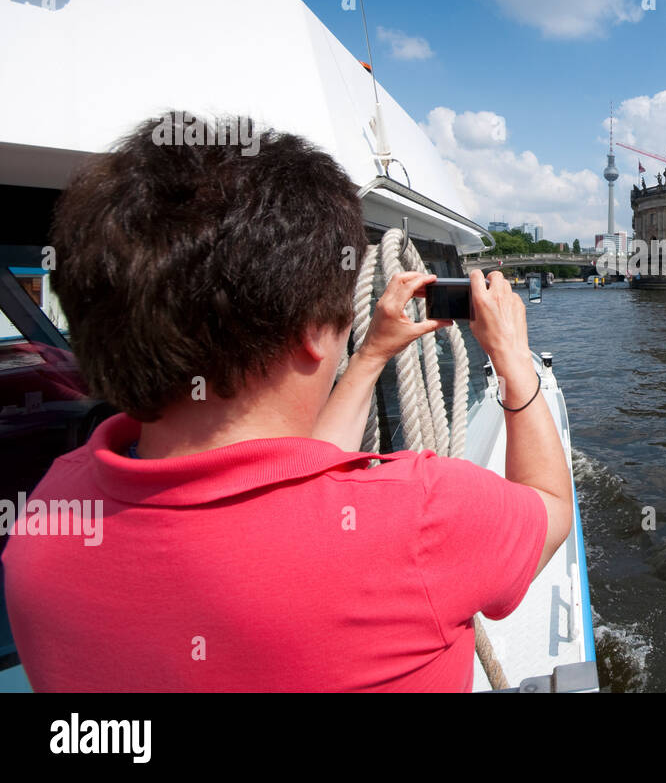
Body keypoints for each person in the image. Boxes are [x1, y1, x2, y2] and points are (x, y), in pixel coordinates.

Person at [1, 113, 572, 692]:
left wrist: (370, 354)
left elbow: (284, 483)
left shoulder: (45, 521)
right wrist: (514, 359)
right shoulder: (423, 517)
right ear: (308, 331)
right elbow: (549, 508)